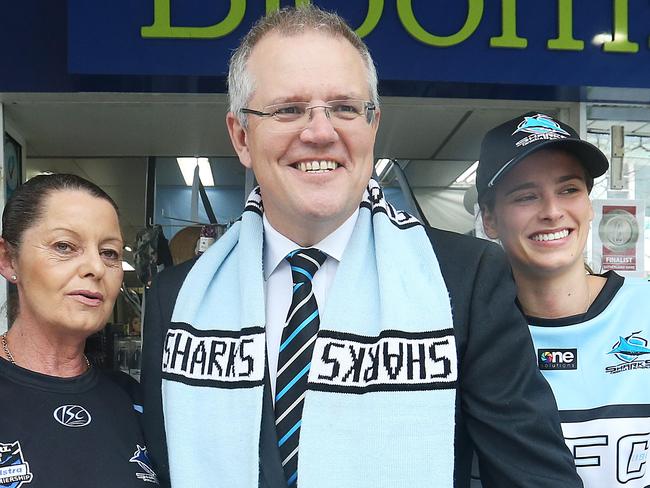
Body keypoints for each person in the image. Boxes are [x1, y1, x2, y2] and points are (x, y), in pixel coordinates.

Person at [141, 7, 581, 488]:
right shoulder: (176, 300)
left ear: (372, 126)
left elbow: (537, 479)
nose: (321, 132)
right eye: (288, 109)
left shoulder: (466, 278)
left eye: (345, 108)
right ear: (241, 136)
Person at [477, 112, 650, 487]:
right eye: (526, 196)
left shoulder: (645, 310)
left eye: (569, 189)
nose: (553, 212)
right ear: (489, 218)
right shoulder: (470, 338)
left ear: (589, 204)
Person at [0, 174, 158, 487]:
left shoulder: (133, 400)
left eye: (109, 253)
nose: (96, 268)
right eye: (65, 246)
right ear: (8, 260)